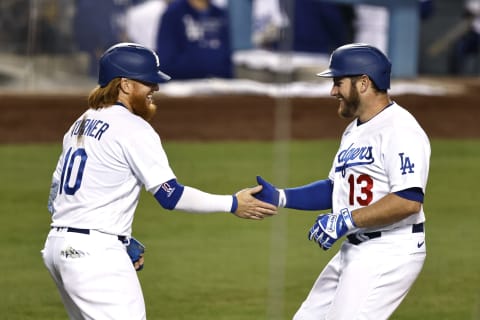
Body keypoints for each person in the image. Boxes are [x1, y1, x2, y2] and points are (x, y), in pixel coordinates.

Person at [41, 42, 277, 320]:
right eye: (148, 81)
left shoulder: (80, 124)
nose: (155, 88)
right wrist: (233, 203)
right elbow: (170, 196)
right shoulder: (133, 127)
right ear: (125, 85)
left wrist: (117, 236)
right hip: (94, 257)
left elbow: (55, 197)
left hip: (58, 249)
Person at [255, 43, 431, 319]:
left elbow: (408, 201)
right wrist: (281, 196)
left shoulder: (400, 130)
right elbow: (338, 189)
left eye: (338, 82)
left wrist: (345, 220)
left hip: (390, 250)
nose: (332, 91)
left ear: (363, 83)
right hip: (356, 247)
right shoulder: (354, 130)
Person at [155, 0, 233, 79]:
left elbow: (227, 57)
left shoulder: (221, 13)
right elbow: (165, 59)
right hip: (183, 83)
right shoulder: (173, 12)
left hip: (219, 82)